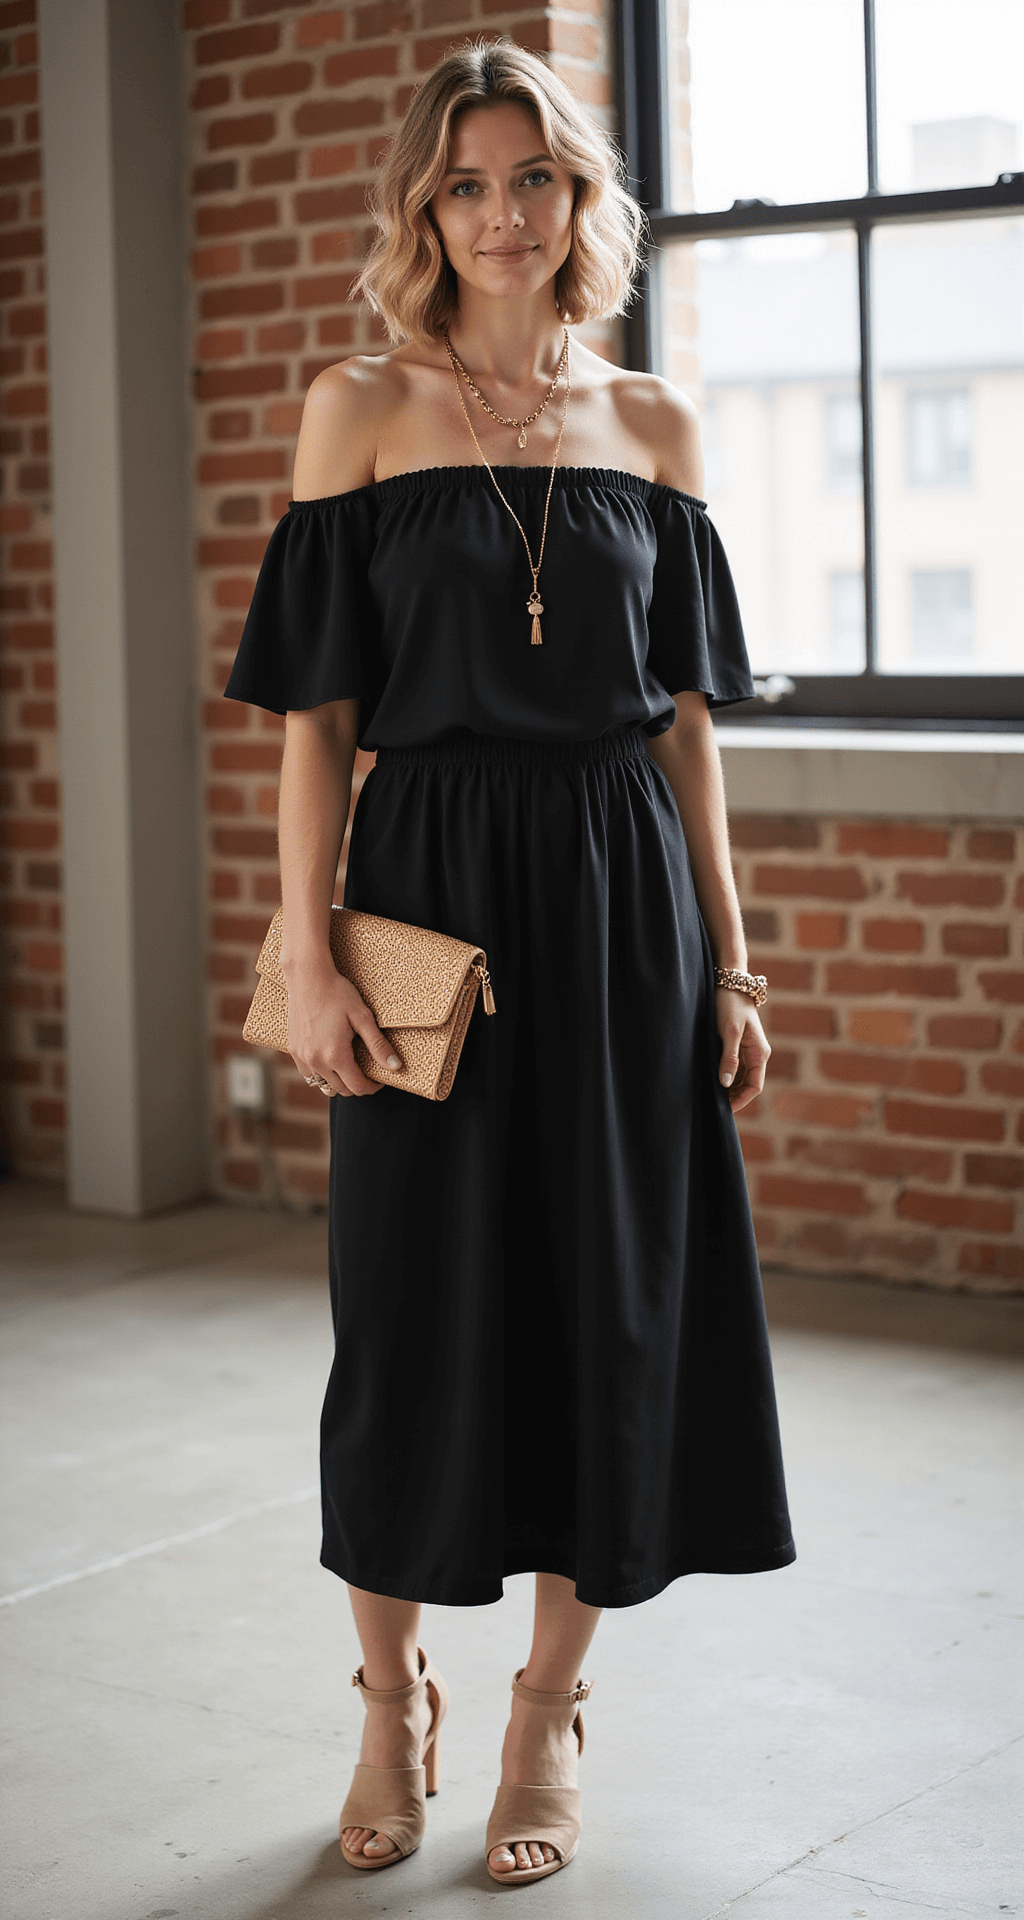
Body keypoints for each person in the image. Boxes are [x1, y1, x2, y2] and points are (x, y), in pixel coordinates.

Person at [224, 35, 796, 1888]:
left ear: (579, 204)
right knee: (405, 1314)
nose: (497, 214)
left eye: (530, 179)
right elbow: (315, 724)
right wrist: (308, 958)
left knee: (604, 1303)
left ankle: (550, 1704)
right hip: (427, 885)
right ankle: (393, 1696)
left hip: (625, 904)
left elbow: (692, 728)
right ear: (424, 205)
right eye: (463, 183)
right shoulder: (359, 410)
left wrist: (731, 959)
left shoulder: (656, 428)